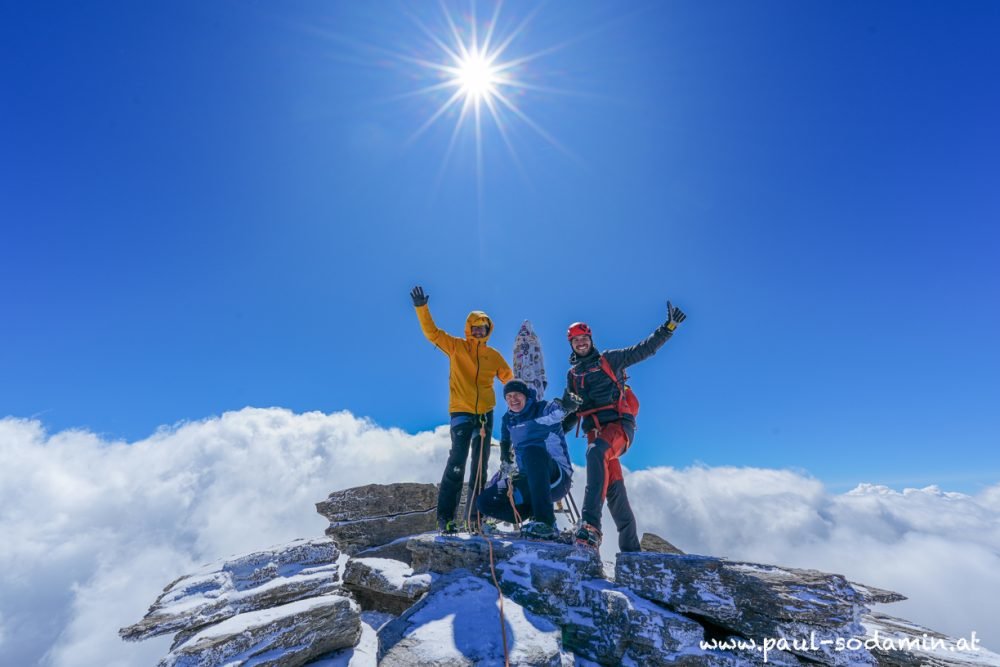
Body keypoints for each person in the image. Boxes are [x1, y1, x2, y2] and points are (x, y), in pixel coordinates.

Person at [566, 302, 687, 552]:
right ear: (571, 344)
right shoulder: (573, 375)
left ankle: (590, 526)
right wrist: (551, 431)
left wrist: (668, 328)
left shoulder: (610, 359)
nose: (580, 343)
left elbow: (644, 350)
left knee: (595, 453)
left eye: (584, 338)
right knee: (614, 490)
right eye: (575, 340)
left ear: (590, 339)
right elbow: (572, 409)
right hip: (596, 433)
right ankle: (632, 551)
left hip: (619, 427)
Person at [411, 285, 514, 533]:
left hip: (485, 415)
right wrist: (421, 308)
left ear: (488, 330)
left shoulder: (494, 356)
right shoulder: (456, 347)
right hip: (461, 412)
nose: (479, 331)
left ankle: (475, 519)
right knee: (457, 462)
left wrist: (524, 392)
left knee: (480, 466)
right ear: (469, 329)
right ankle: (446, 519)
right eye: (475, 327)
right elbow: (432, 333)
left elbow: (510, 379)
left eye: (483, 327)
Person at [476, 379, 580, 539]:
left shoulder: (542, 409)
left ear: (526, 396)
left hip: (557, 479)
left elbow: (557, 411)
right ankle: (528, 518)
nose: (513, 399)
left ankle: (546, 523)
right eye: (509, 396)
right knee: (484, 502)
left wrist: (565, 405)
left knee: (532, 451)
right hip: (528, 479)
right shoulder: (508, 419)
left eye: (517, 394)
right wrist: (505, 456)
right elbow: (505, 439)